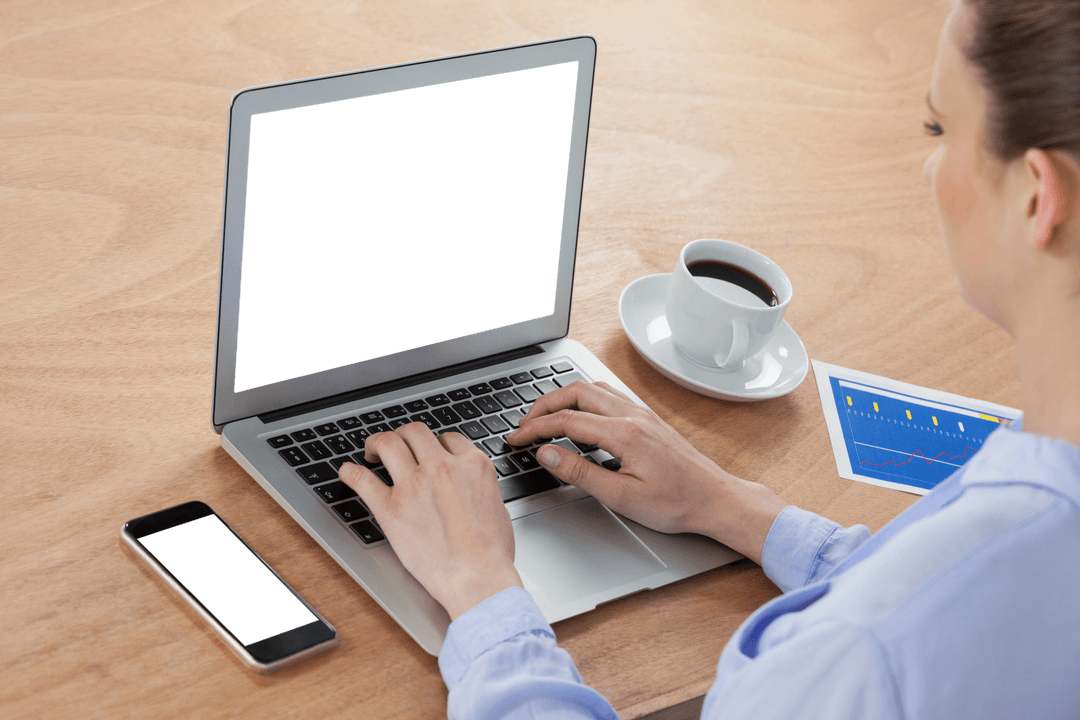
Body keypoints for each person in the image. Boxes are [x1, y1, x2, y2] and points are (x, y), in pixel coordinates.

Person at [339, 0, 1080, 715]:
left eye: (939, 127)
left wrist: (481, 593)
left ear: (1037, 197)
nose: (929, 169)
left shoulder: (863, 651)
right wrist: (729, 505)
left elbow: (904, 635)